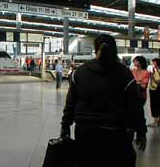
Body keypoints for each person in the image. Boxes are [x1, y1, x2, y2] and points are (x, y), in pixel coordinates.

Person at [60, 34, 147, 167]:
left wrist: (65, 126)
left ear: (95, 49)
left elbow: (71, 103)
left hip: (85, 133)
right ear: (114, 49)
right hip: (116, 134)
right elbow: (135, 106)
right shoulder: (124, 74)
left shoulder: (80, 72)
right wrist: (141, 131)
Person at [148, 58, 160, 127]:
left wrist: (151, 76)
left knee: (154, 105)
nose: (153, 63)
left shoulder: (157, 72)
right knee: (159, 104)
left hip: (154, 90)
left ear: (157, 64)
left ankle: (155, 122)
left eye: (154, 62)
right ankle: (159, 121)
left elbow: (157, 81)